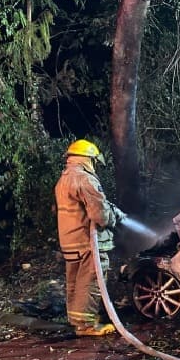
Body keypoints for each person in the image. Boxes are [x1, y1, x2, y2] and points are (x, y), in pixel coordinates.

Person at [54, 139, 126, 336]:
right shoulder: (85, 179)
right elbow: (100, 215)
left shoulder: (65, 178)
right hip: (88, 242)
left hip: (70, 241)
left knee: (75, 282)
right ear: (88, 159)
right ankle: (86, 326)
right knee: (91, 281)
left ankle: (78, 319)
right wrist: (115, 218)